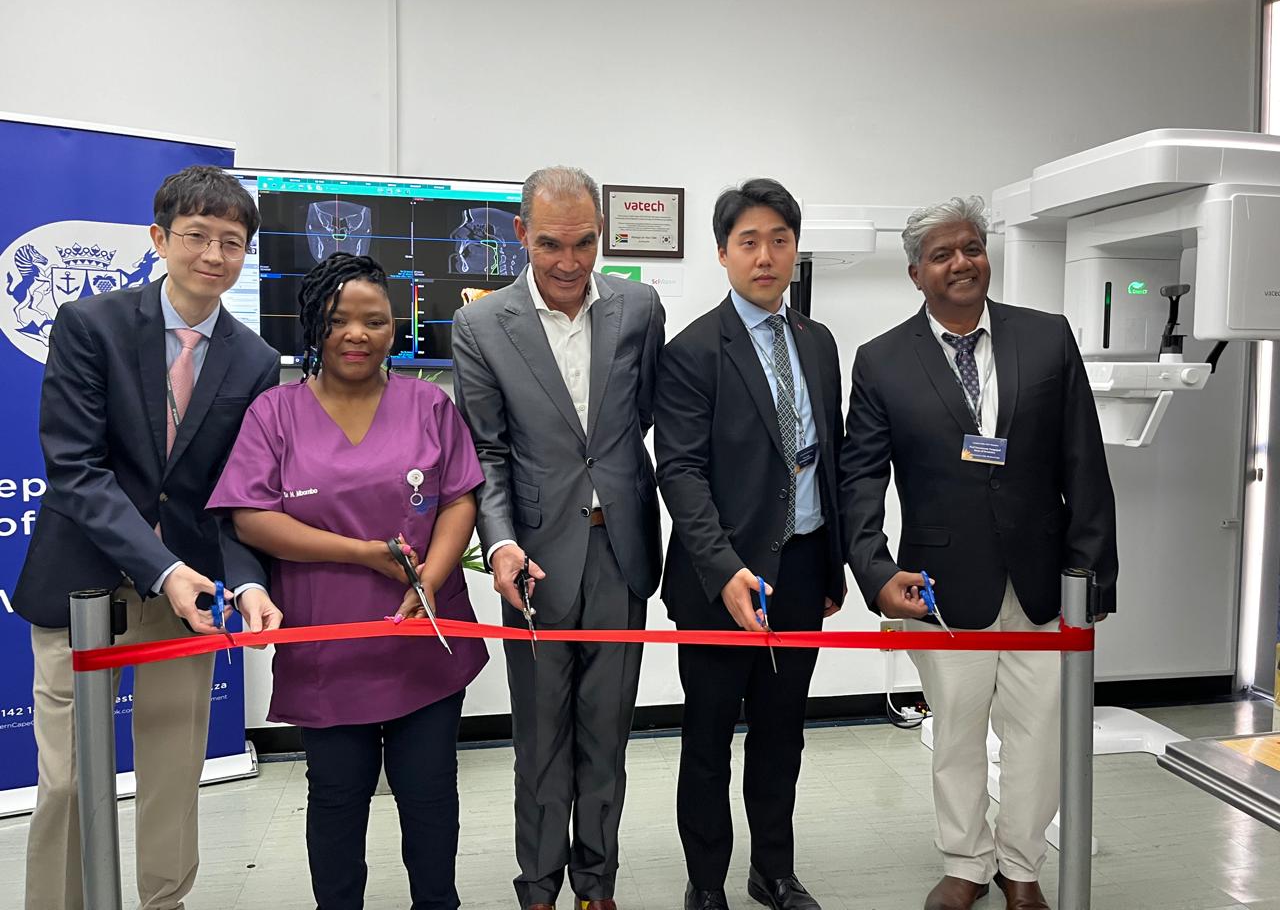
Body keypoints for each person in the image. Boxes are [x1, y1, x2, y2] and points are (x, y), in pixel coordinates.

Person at [14, 165, 283, 910]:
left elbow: (238, 496)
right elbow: (75, 469)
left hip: (190, 600)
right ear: (159, 238)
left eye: (231, 241)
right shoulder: (89, 325)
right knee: (68, 779)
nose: (213, 254)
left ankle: (165, 902)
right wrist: (163, 568)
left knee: (172, 774)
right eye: (196, 235)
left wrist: (251, 581)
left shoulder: (257, 362)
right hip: (84, 586)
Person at [839, 196, 1118, 910]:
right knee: (956, 734)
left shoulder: (1047, 339)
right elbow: (860, 478)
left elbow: (1083, 461)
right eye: (943, 253)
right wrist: (874, 572)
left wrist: (1093, 576)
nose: (962, 263)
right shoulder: (881, 361)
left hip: (1044, 583)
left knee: (1039, 738)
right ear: (915, 272)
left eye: (971, 247)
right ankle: (966, 861)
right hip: (938, 585)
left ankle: (1020, 868)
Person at [207, 253, 488, 910]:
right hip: (328, 651)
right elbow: (250, 518)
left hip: (424, 646)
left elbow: (458, 500)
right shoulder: (275, 414)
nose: (357, 334)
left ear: (396, 330)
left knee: (429, 798)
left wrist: (431, 583)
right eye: (339, 321)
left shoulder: (429, 405)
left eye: (374, 321)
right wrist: (363, 554)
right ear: (315, 328)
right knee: (336, 799)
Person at [451, 166, 665, 910]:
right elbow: (487, 451)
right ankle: (538, 887)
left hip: (621, 548)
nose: (571, 262)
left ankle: (596, 885)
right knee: (541, 739)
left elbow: (646, 421)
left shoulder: (638, 307)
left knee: (607, 733)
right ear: (520, 235)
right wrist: (501, 542)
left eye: (585, 243)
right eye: (551, 244)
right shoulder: (481, 325)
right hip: (534, 557)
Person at [654, 178, 846, 910]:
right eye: (749, 242)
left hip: (799, 569)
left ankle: (774, 871)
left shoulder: (818, 342)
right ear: (723, 253)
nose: (765, 256)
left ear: (795, 250)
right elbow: (681, 472)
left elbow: (825, 455)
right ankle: (707, 883)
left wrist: (831, 564)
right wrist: (725, 567)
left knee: (782, 733)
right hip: (717, 580)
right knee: (707, 741)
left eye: (780, 240)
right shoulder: (694, 350)